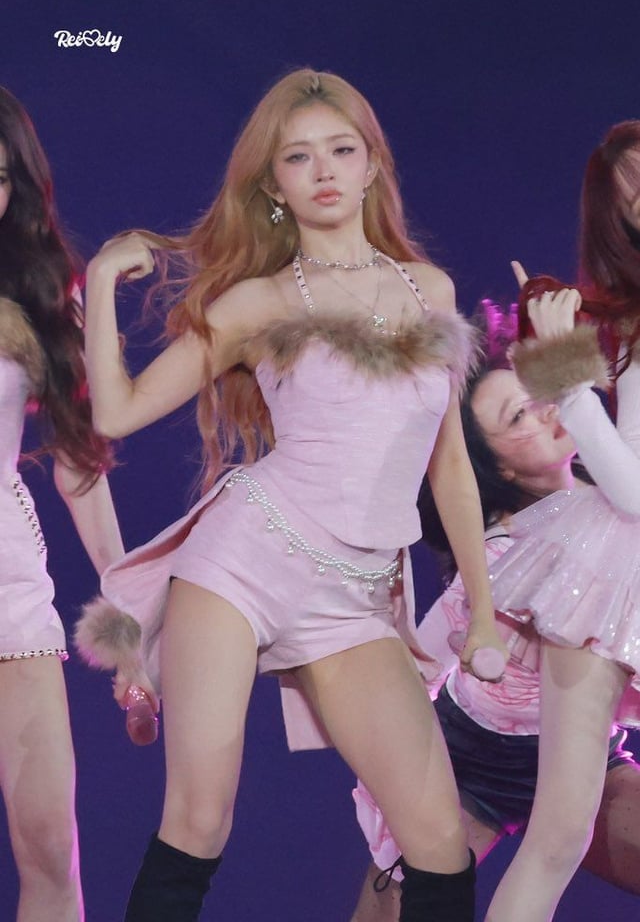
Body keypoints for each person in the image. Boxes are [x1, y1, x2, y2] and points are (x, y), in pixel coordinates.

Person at [74, 68, 507, 922]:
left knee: (437, 842)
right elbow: (117, 414)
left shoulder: (432, 292)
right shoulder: (258, 303)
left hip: (355, 595)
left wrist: (484, 613)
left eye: (341, 150)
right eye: (299, 158)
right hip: (244, 562)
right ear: (274, 187)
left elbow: (449, 467)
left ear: (372, 164)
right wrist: (97, 285)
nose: (324, 171)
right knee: (200, 821)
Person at [349, 307, 640, 921]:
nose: (547, 411)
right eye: (518, 416)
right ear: (499, 466)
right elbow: (423, 658)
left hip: (578, 757)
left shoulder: (619, 519)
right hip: (469, 764)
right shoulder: (497, 558)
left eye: (542, 396)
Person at [476, 121, 640, 922]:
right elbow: (633, 490)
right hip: (613, 575)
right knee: (559, 837)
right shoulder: (632, 321)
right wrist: (565, 371)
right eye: (632, 192)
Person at [0, 86, 124, 921]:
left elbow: (82, 460)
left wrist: (127, 595)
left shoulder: (41, 290)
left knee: (50, 847)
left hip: (7, 580)